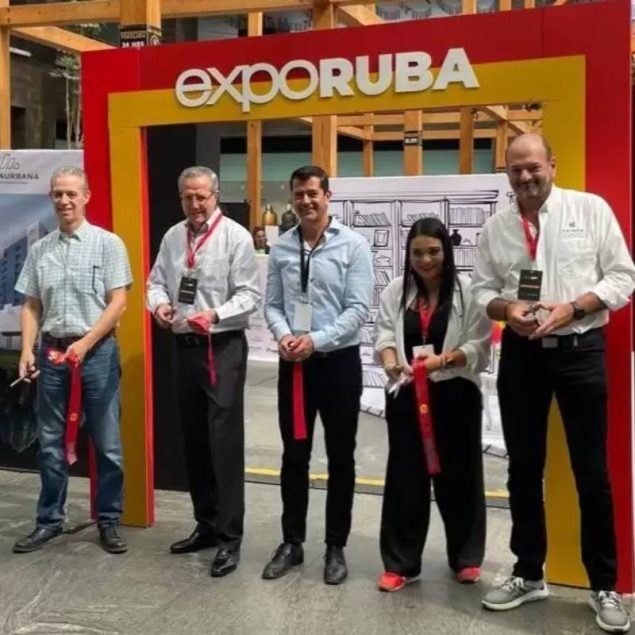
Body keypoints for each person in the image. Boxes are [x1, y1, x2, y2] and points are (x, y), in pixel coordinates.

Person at [472, 133, 635, 634]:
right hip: (522, 354)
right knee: (523, 468)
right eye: (515, 169)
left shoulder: (590, 210)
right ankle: (528, 573)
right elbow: (481, 290)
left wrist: (573, 308)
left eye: (533, 167)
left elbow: (623, 278)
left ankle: (604, 584)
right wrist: (508, 309)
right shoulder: (497, 227)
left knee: (592, 470)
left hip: (580, 351)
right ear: (507, 174)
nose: (525, 177)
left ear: (552, 165)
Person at [146, 166, 260, 578]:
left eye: (202, 197)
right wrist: (159, 305)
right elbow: (155, 282)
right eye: (188, 197)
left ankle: (229, 539)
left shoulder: (236, 237)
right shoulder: (172, 237)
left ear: (216, 196)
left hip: (220, 348)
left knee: (223, 443)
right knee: (193, 441)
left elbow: (250, 295)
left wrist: (214, 315)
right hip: (184, 348)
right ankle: (206, 525)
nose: (195, 204)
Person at [13, 166, 132, 555]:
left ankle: (108, 519)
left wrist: (85, 343)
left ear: (86, 197)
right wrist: (27, 350)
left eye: (71, 194)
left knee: (107, 443)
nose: (64, 200)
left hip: (97, 356)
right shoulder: (40, 250)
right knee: (49, 443)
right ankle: (49, 520)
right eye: (57, 194)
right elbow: (31, 305)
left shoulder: (108, 244)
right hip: (51, 356)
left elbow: (119, 302)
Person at [262, 165, 373, 585]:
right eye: (299, 194)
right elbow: (273, 303)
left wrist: (317, 339)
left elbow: (358, 310)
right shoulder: (282, 248)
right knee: (294, 455)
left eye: (313, 193)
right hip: (295, 366)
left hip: (338, 364)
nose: (306, 201)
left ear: (328, 195)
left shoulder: (353, 245)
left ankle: (335, 546)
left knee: (341, 457)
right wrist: (284, 335)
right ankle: (292, 542)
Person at [374, 217, 490, 592]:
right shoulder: (396, 290)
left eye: (433, 252)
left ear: (447, 252)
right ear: (408, 255)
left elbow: (479, 346)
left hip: (455, 393)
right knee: (405, 477)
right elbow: (383, 334)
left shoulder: (468, 292)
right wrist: (391, 362)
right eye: (418, 253)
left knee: (461, 475)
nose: (425, 260)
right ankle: (401, 563)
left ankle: (466, 557)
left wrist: (443, 361)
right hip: (407, 393)